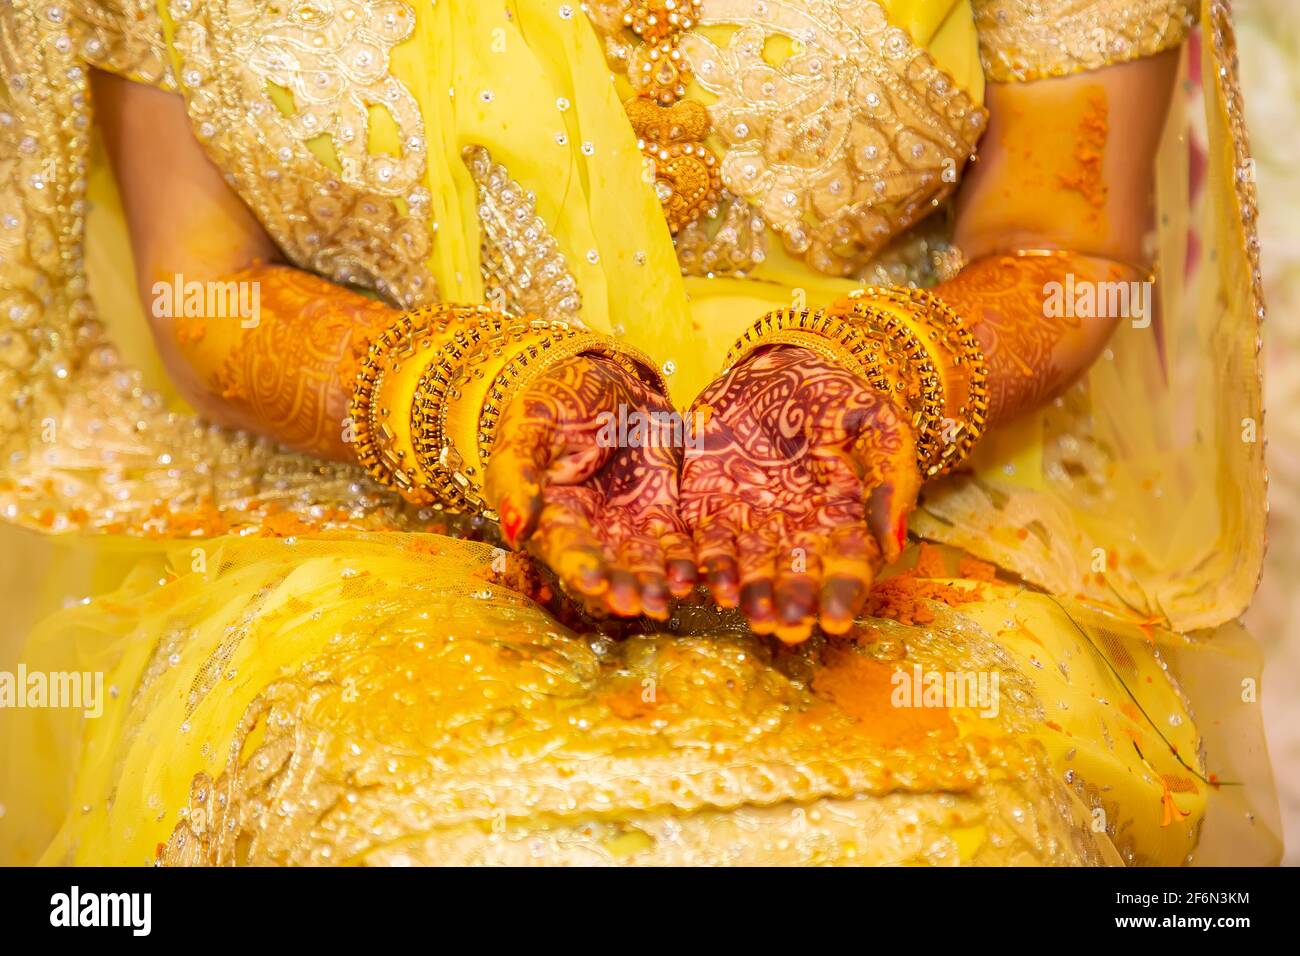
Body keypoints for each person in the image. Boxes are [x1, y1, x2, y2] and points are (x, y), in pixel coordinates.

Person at [0, 0, 1279, 865]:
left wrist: (853, 397)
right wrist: (483, 408)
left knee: (949, 835)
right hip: (347, 494)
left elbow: (1063, 245)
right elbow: (200, 285)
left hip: (912, 503)